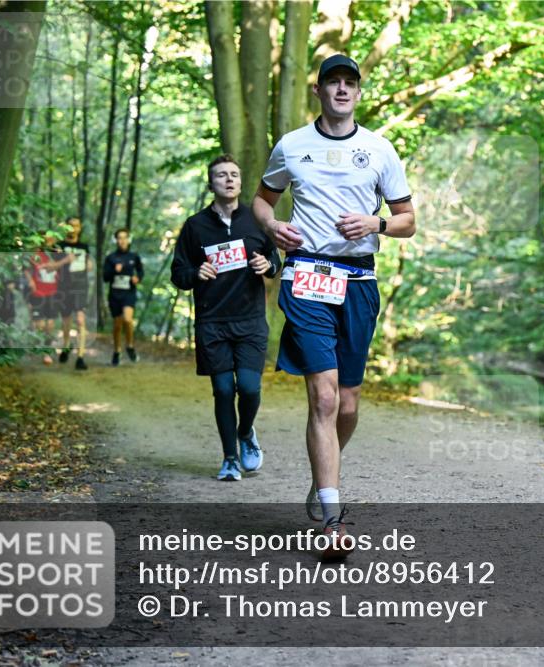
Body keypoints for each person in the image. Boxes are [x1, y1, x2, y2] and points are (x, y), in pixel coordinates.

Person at [253, 54, 416, 559]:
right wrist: (272, 227)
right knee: (323, 400)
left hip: (359, 282)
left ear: (358, 92)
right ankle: (332, 517)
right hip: (306, 277)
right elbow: (262, 200)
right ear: (319, 91)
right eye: (333, 83)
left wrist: (375, 224)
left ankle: (324, 475)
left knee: (347, 404)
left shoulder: (380, 149)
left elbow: (408, 219)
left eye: (350, 83)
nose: (342, 90)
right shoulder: (292, 145)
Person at [171, 155, 280, 481]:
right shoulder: (195, 226)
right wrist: (196, 272)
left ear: (241, 182)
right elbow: (178, 273)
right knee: (222, 390)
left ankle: (245, 432)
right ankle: (230, 459)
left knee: (248, 387)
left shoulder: (256, 220)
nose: (229, 179)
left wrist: (268, 266)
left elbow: (275, 259)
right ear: (211, 184)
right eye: (221, 175)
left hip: (250, 320)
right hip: (212, 322)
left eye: (234, 174)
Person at [102, 228, 143, 366]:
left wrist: (138, 278)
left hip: (129, 293)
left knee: (128, 319)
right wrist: (114, 270)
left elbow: (140, 271)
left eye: (125, 237)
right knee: (117, 325)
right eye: (119, 238)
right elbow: (105, 278)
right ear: (116, 240)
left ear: (128, 240)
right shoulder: (111, 258)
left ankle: (130, 346)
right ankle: (117, 351)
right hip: (114, 294)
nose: (122, 241)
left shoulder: (134, 256)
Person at [25, 233, 66, 365]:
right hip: (38, 293)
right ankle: (35, 342)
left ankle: (46, 351)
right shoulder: (35, 254)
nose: (49, 240)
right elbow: (26, 268)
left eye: (51, 238)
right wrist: (30, 280)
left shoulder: (57, 254)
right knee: (40, 325)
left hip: (53, 294)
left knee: (50, 325)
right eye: (46, 239)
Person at [57, 217, 91, 370]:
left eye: (76, 225)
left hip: (80, 287)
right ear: (66, 227)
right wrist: (64, 260)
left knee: (80, 319)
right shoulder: (60, 246)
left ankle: (80, 357)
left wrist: (89, 264)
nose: (73, 228)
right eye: (71, 225)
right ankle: (66, 345)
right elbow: (52, 266)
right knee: (66, 321)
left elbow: (88, 264)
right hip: (64, 287)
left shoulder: (84, 247)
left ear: (80, 228)